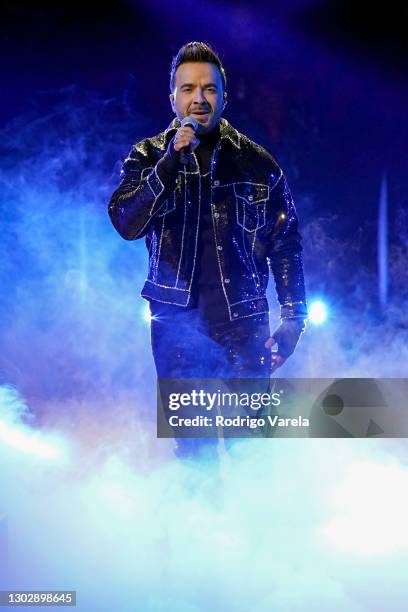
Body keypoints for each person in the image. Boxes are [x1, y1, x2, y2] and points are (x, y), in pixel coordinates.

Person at [108, 42, 308, 457]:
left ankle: (253, 523)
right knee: (193, 452)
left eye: (209, 89)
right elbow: (126, 223)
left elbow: (285, 244)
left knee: (250, 450)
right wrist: (168, 165)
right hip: (176, 326)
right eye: (188, 89)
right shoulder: (148, 157)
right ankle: (198, 523)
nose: (198, 98)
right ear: (173, 98)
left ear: (223, 97)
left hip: (245, 327)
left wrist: (294, 320)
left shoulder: (256, 163)